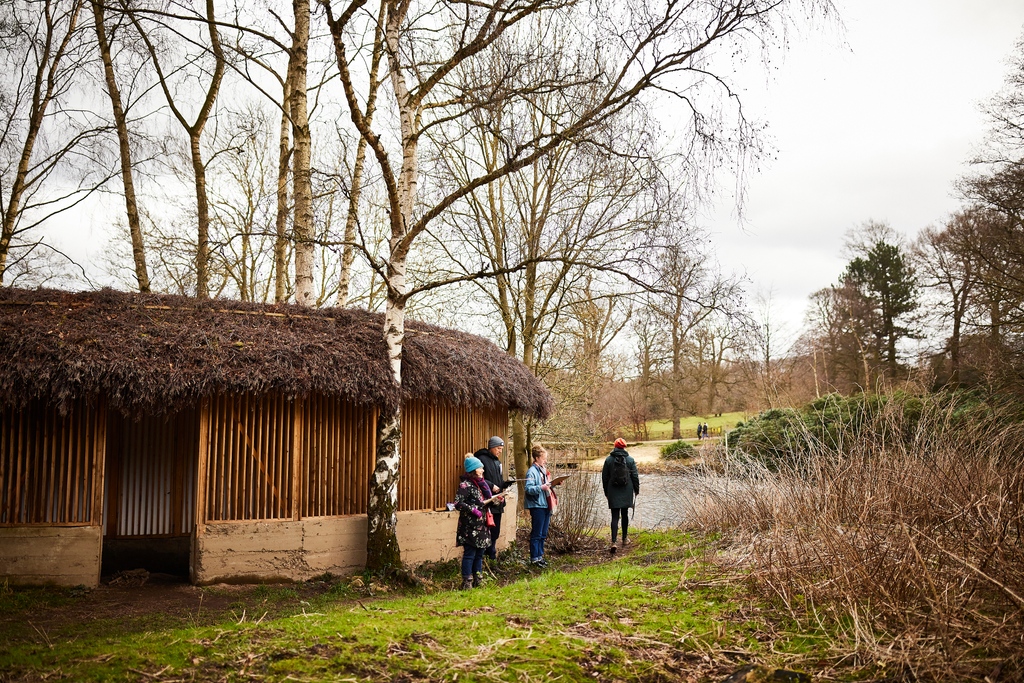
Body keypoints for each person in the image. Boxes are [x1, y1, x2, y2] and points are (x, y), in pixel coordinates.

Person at [454, 454, 503, 589]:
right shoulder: (465, 485)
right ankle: (467, 581)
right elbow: (458, 503)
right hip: (469, 526)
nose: (482, 470)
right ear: (474, 469)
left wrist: (496, 501)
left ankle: (478, 578)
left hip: (482, 524)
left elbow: (486, 503)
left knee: (480, 553)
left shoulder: (482, 485)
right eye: (480, 468)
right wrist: (472, 509)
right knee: (470, 553)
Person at [474, 436, 515, 560]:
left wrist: (505, 484)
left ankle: (492, 555)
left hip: (498, 501)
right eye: (498, 448)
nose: (500, 451)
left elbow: (498, 480)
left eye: (501, 449)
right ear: (491, 447)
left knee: (496, 531)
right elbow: (479, 478)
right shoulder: (481, 459)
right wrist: (491, 486)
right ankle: (487, 556)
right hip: (487, 501)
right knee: (488, 531)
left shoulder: (497, 462)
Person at [524, 444, 559, 567]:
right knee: (537, 533)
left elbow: (547, 486)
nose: (546, 460)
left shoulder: (543, 470)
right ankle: (535, 558)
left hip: (546, 504)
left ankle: (540, 556)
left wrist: (554, 484)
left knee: (543, 533)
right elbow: (528, 489)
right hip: (537, 505)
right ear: (537, 458)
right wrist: (541, 487)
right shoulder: (532, 472)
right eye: (544, 458)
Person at [602, 438, 640, 551]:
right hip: (627, 490)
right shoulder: (630, 460)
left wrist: (606, 492)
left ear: (615, 446)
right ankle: (624, 538)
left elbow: (604, 478)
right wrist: (636, 490)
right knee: (625, 514)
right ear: (624, 447)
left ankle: (613, 542)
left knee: (614, 516)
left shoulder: (608, 460)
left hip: (613, 491)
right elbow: (635, 477)